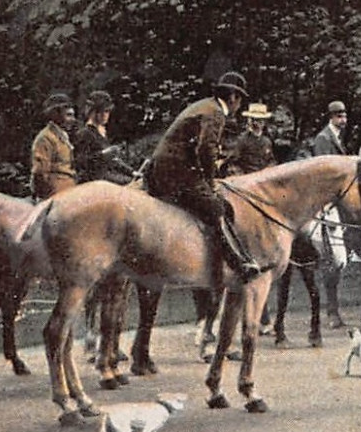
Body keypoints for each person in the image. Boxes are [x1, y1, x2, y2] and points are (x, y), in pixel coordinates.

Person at [144, 71, 259, 279]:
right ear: (233, 97)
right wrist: (211, 181)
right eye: (239, 99)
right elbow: (206, 150)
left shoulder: (205, 105)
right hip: (176, 172)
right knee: (217, 207)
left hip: (166, 167)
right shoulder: (215, 112)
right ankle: (236, 263)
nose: (239, 106)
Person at [300, 101, 352, 329]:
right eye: (338, 116)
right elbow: (324, 172)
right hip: (325, 202)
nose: (343, 119)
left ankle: (332, 308)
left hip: (337, 201)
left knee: (338, 260)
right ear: (331, 117)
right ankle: (330, 310)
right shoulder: (323, 139)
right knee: (330, 257)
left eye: (344, 115)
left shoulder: (339, 138)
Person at [72, 90, 134, 186]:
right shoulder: (84, 134)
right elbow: (81, 163)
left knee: (132, 181)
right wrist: (104, 154)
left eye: (108, 111)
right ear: (93, 112)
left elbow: (113, 161)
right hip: (93, 181)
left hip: (106, 176)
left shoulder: (102, 133)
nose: (106, 115)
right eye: (103, 111)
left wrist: (131, 172)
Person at [30, 93, 77, 200]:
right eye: (68, 115)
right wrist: (48, 198)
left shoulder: (62, 136)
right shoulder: (45, 138)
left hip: (70, 190)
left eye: (73, 115)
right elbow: (39, 173)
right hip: (55, 195)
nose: (73, 119)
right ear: (56, 114)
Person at [225, 103, 277, 176]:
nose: (256, 123)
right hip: (247, 178)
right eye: (253, 120)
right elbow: (233, 163)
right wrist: (241, 176)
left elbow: (271, 161)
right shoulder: (242, 140)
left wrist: (269, 170)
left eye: (260, 120)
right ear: (249, 121)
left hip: (263, 178)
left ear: (264, 122)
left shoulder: (267, 141)